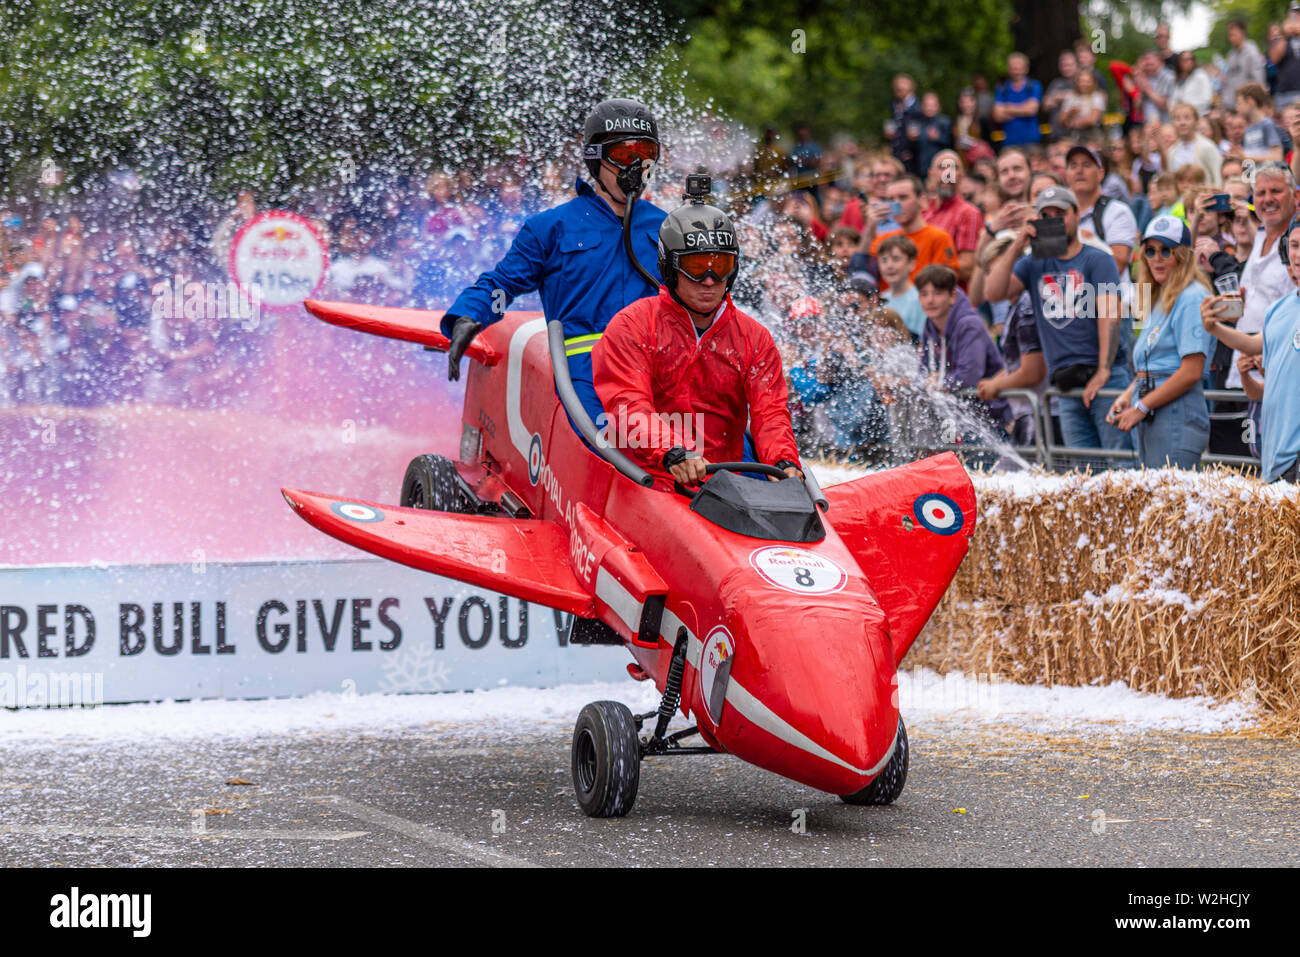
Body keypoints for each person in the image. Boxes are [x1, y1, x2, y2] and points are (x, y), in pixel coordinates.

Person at [439, 98, 667, 428]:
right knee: (616, 452)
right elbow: (501, 284)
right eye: (623, 154)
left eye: (645, 153)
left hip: (660, 376)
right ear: (595, 158)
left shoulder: (670, 229)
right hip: (584, 377)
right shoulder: (550, 227)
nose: (636, 165)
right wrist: (468, 316)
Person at [591, 197, 800, 486]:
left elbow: (771, 414)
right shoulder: (632, 326)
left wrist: (784, 461)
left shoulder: (755, 338)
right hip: (649, 482)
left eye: (720, 265)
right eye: (696, 266)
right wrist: (673, 451)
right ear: (670, 268)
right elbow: (627, 405)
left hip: (723, 489)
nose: (710, 280)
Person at [983, 185, 1133, 461]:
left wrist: (1103, 370)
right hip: (1064, 384)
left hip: (1106, 378)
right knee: (1081, 474)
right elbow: (993, 292)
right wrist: (1018, 243)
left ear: (1076, 214)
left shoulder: (1097, 258)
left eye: (1061, 213)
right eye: (1047, 214)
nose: (1055, 219)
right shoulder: (1033, 263)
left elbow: (1110, 315)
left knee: (1120, 467)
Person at [1105, 216, 1213, 469]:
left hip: (1175, 414)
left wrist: (1141, 406)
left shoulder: (1192, 296)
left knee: (1171, 504)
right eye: (1150, 251)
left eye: (1166, 250)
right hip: (1158, 412)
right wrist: (1128, 395)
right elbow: (1153, 363)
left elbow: (1191, 371)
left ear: (1183, 255)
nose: (1157, 258)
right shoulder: (1160, 297)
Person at [915, 264, 1012, 450]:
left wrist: (940, 382)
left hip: (987, 414)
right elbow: (923, 370)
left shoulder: (969, 324)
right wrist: (926, 381)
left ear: (952, 296)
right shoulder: (929, 325)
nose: (930, 300)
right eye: (924, 294)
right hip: (951, 413)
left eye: (937, 293)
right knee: (951, 460)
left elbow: (970, 374)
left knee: (980, 466)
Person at [863, 175, 958, 291]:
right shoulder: (884, 239)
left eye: (903, 197)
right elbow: (860, 270)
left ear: (922, 201)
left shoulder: (939, 237)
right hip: (887, 306)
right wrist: (869, 228)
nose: (896, 204)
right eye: (891, 200)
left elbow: (945, 283)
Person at [923, 150, 983, 286]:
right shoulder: (923, 212)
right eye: (941, 168)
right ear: (931, 175)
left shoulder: (969, 213)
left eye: (954, 168)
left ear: (962, 176)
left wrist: (921, 263)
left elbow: (967, 269)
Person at [993, 53, 1043, 148]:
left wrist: (1007, 108)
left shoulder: (1034, 85)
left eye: (1019, 68)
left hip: (1031, 141)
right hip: (1009, 142)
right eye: (1013, 68)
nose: (1016, 72)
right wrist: (1023, 108)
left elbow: (1031, 110)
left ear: (1026, 69)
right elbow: (997, 116)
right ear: (1008, 69)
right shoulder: (1002, 87)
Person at [1168, 103, 1223, 185]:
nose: (1182, 123)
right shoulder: (1172, 151)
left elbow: (1218, 177)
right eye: (1177, 119)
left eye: (1187, 118)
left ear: (1196, 121)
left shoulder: (1207, 147)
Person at [1224, 17, 1267, 110]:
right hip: (1233, 105)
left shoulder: (1252, 52)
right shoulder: (1230, 55)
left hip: (1249, 104)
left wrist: (1258, 102)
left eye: (1233, 35)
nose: (1231, 38)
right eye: (1229, 35)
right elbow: (1227, 81)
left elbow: (1258, 79)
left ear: (1243, 34)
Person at [1237, 83, 1285, 161]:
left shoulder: (1268, 125)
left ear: (1250, 101)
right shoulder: (1248, 130)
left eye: (1239, 103)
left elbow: (1277, 157)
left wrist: (1246, 158)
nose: (1237, 108)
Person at [1171, 50, 1214, 115]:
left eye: (1191, 59)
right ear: (1179, 62)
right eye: (1185, 60)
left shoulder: (1201, 75)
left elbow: (1207, 98)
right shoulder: (1177, 79)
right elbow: (1173, 100)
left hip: (1200, 114)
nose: (1189, 62)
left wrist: (1188, 109)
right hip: (1181, 117)